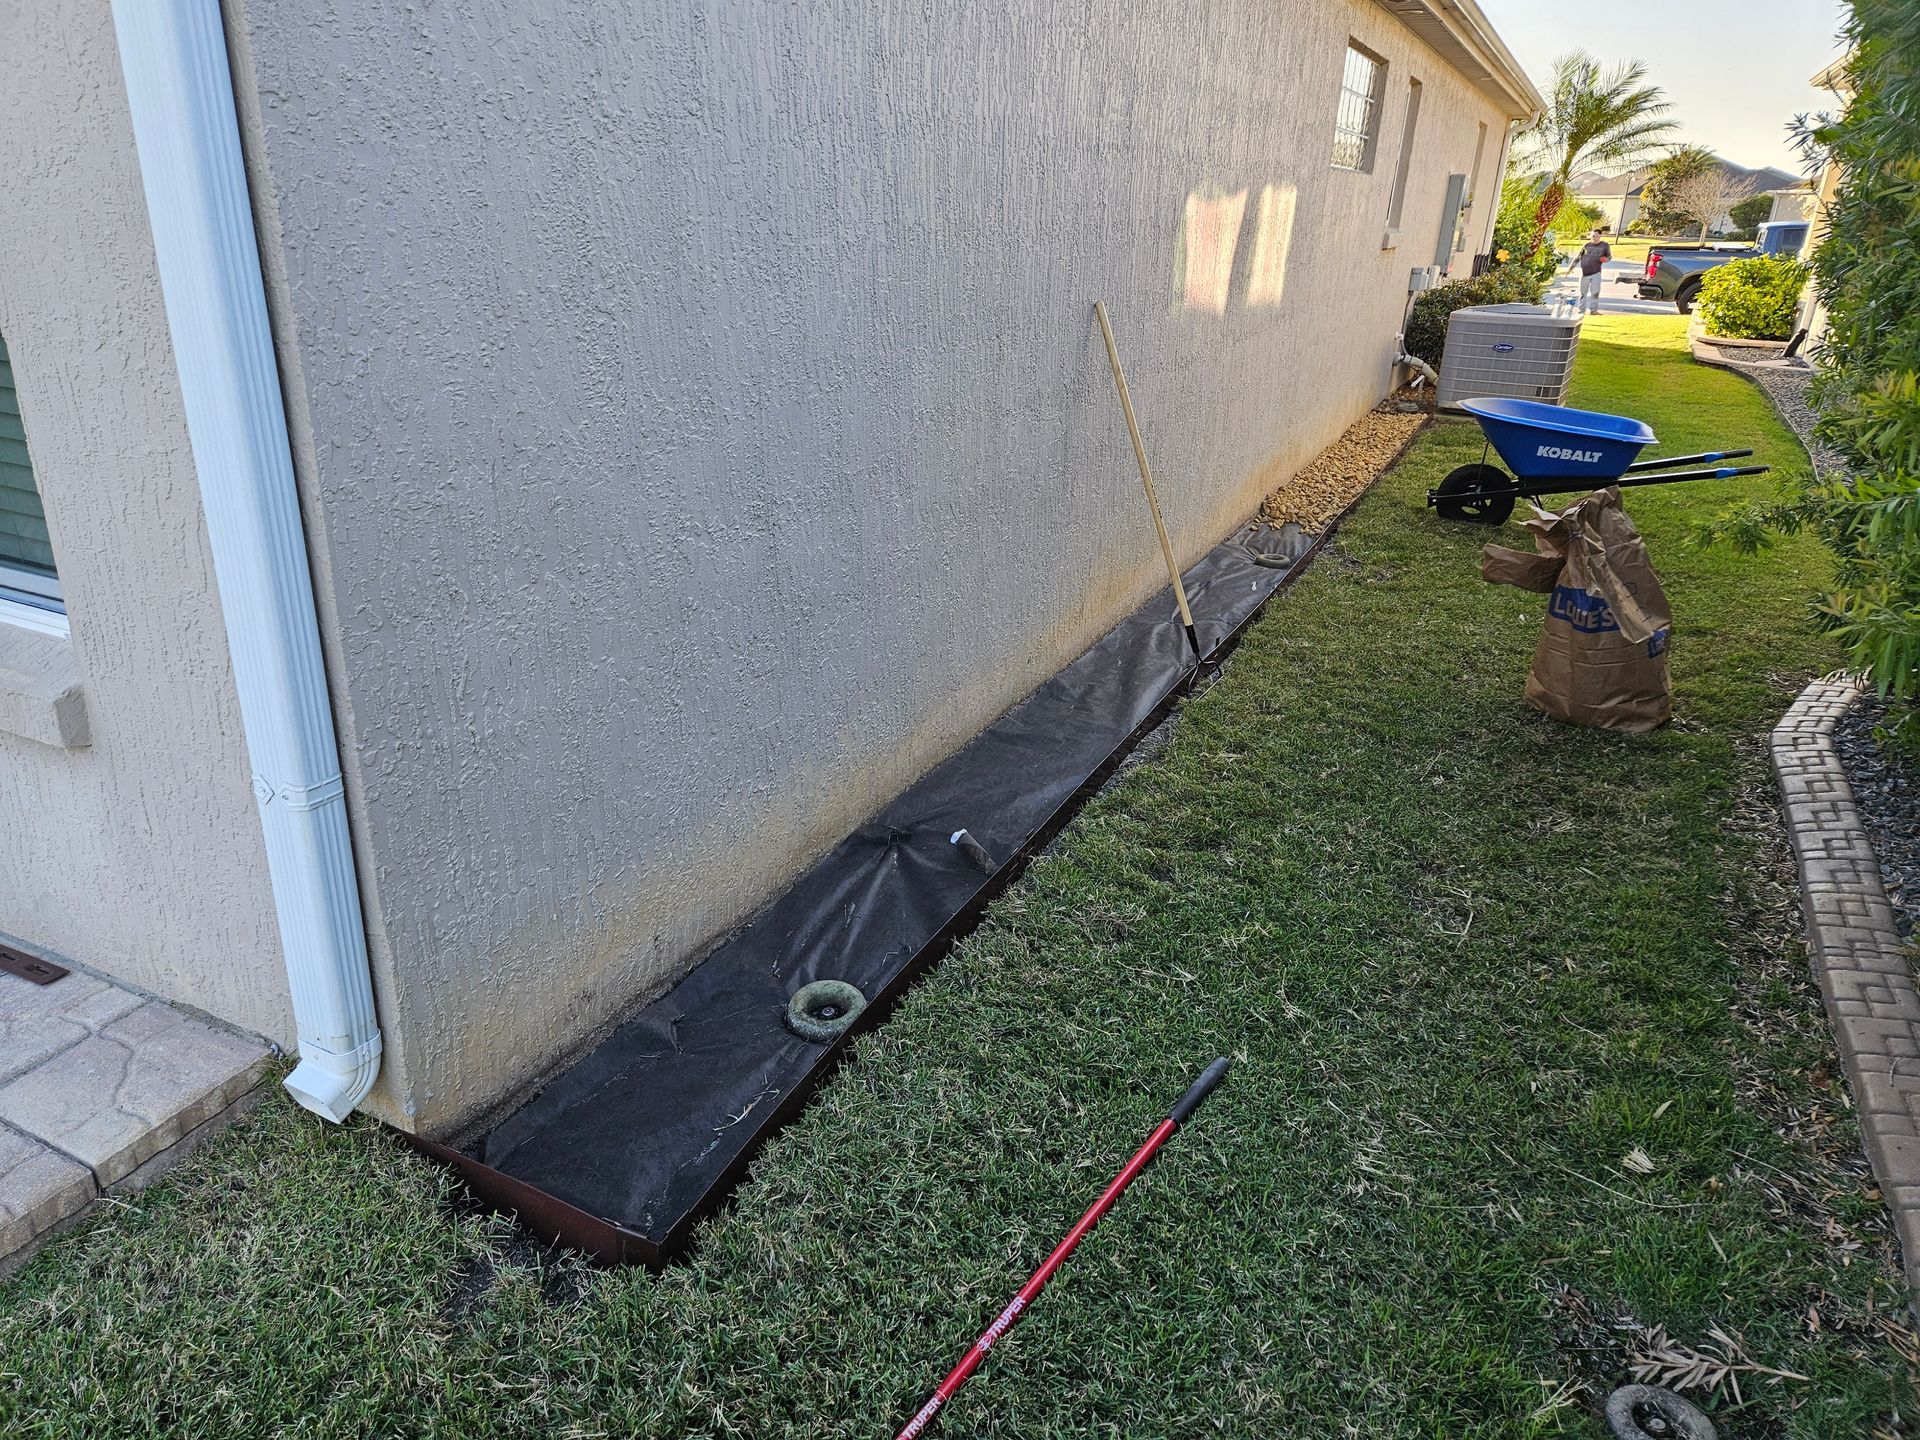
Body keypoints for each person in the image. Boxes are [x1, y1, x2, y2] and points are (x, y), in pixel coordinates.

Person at [1567, 229, 1611, 315]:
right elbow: (1578, 257)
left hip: (1596, 273)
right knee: (1583, 293)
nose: (1594, 237)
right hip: (1584, 273)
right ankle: (1581, 311)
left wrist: (1606, 259)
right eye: (1593, 235)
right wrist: (1569, 269)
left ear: (1600, 236)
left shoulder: (1604, 246)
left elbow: (1609, 256)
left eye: (1596, 236)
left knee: (1595, 292)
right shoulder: (1586, 245)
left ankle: (1593, 311)